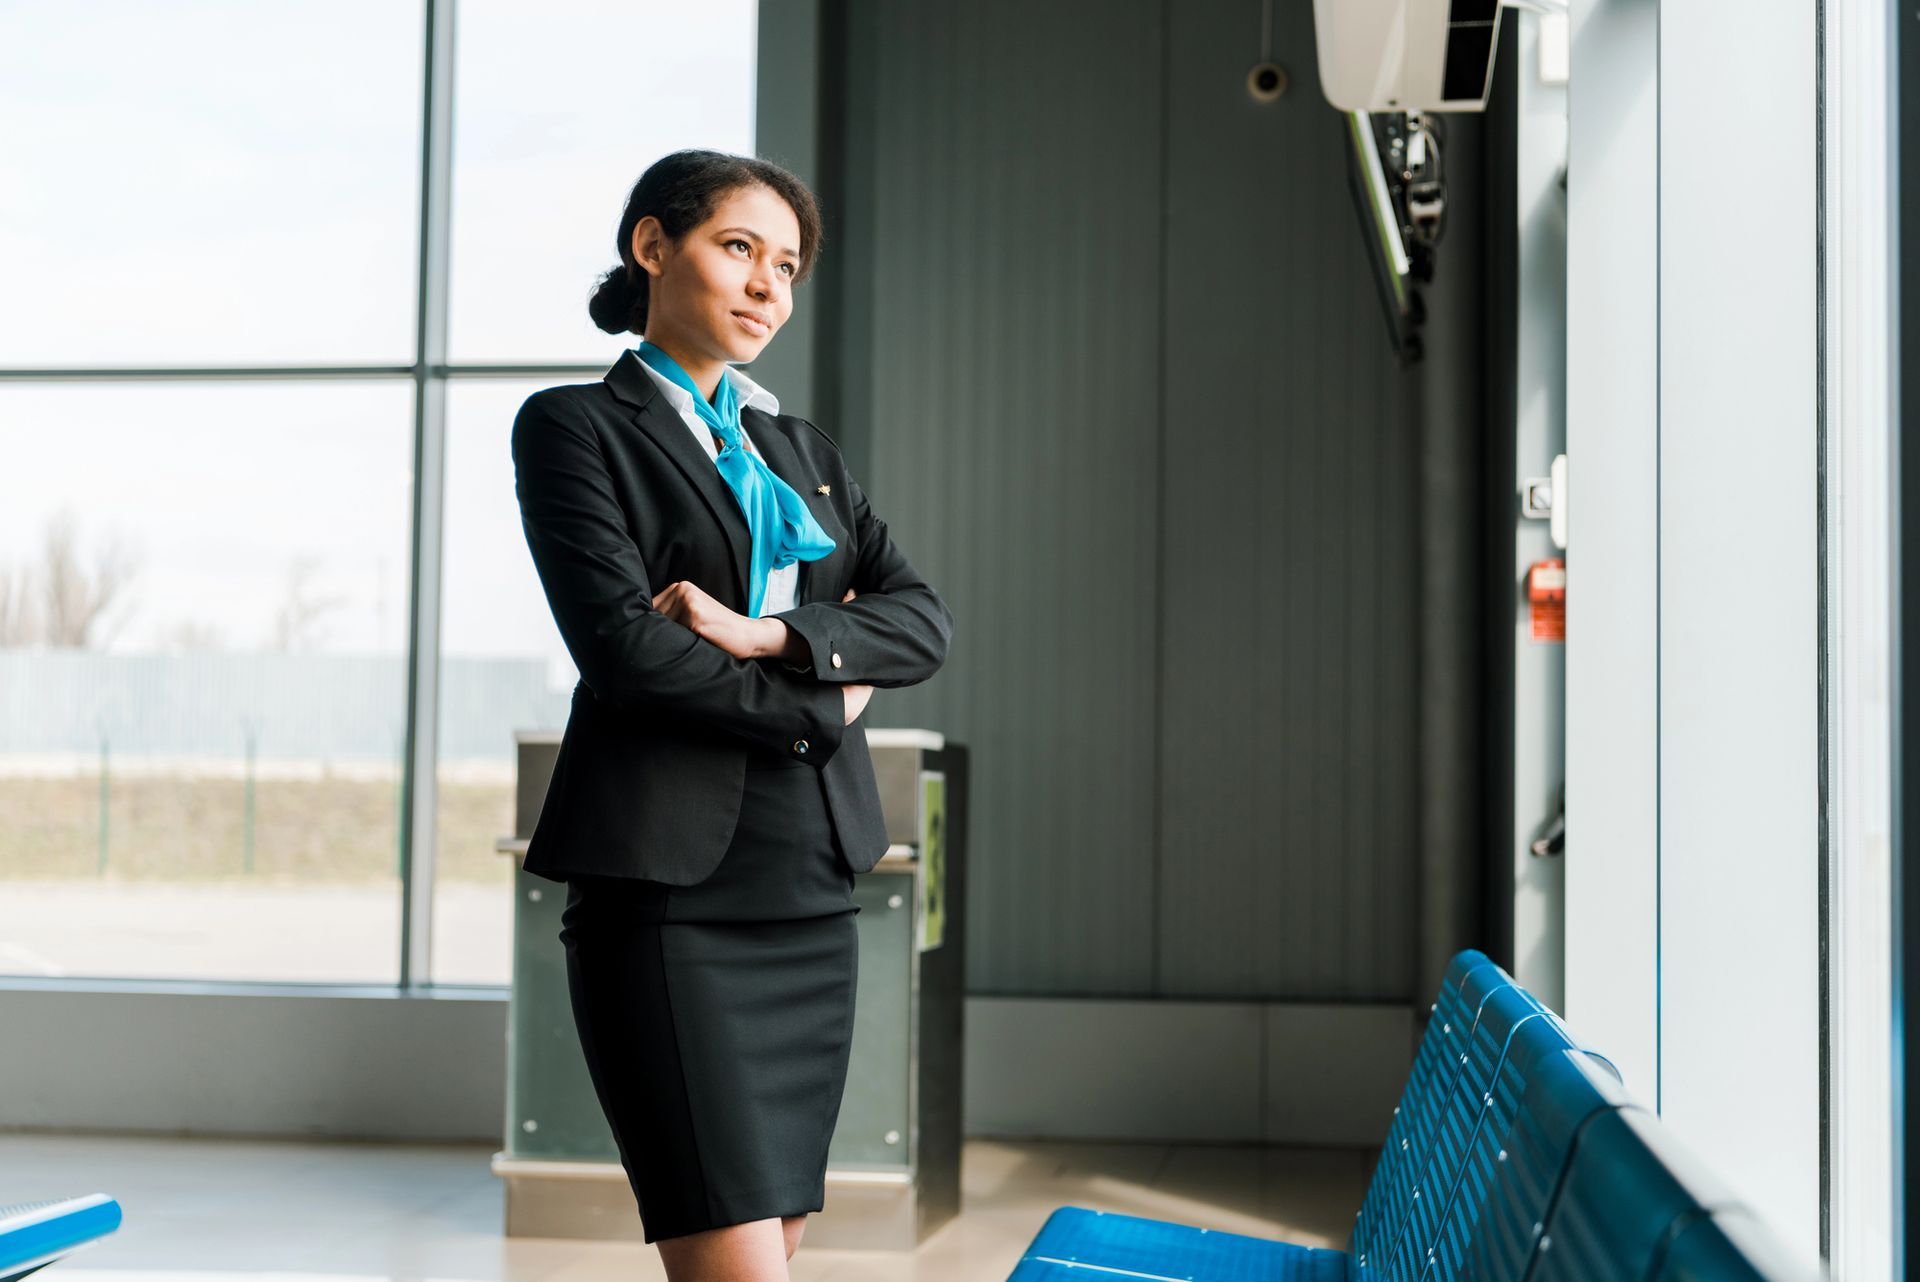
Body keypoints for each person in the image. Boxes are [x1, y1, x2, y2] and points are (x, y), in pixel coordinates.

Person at [509, 148, 952, 1279]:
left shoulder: (799, 450)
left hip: (808, 881)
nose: (768, 288)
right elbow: (628, 652)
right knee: (734, 1258)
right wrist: (822, 705)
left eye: (788, 266)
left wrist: (773, 635)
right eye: (739, 249)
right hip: (667, 891)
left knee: (776, 1238)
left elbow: (922, 621)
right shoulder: (573, 428)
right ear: (654, 247)